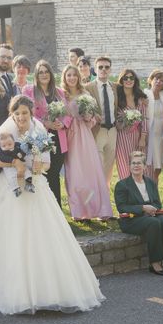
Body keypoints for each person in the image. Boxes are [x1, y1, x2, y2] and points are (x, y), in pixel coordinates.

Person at [0, 95, 105, 315]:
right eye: (16, 114)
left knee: (44, 235)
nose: (20, 118)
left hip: (35, 186)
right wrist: (14, 161)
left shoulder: (40, 131)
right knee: (14, 236)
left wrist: (37, 166)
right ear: (12, 114)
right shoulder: (6, 130)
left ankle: (51, 289)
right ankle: (18, 289)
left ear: (31, 113)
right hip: (11, 187)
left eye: (24, 113)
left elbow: (46, 164)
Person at [115, 151, 163, 276]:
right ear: (129, 166)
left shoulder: (150, 183)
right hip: (131, 220)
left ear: (144, 166)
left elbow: (157, 203)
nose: (136, 166)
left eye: (139, 163)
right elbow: (122, 207)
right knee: (153, 223)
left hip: (150, 215)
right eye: (133, 163)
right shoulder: (122, 185)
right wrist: (143, 208)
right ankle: (154, 262)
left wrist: (152, 209)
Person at [61, 64, 112, 221]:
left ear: (78, 77)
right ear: (64, 77)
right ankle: (79, 211)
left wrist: (90, 117)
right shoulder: (61, 94)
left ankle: (97, 208)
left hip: (85, 135)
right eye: (68, 75)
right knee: (74, 173)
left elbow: (97, 117)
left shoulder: (85, 93)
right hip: (69, 136)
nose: (71, 78)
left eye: (74, 75)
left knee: (91, 171)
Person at [22, 60, 70, 206]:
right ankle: (40, 209)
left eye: (46, 71)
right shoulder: (28, 91)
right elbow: (26, 113)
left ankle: (56, 210)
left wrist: (63, 123)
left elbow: (68, 114)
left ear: (50, 74)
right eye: (40, 72)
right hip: (39, 139)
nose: (44, 74)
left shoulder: (60, 92)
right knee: (40, 174)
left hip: (58, 138)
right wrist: (45, 123)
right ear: (36, 75)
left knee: (54, 175)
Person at [87, 56, 119, 188]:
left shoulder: (115, 87)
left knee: (108, 166)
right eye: (100, 67)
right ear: (95, 69)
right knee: (97, 165)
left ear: (110, 69)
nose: (104, 70)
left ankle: (104, 193)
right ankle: (96, 192)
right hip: (97, 130)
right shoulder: (88, 88)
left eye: (106, 67)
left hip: (112, 130)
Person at [114, 69, 148, 180]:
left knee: (138, 166)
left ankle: (139, 194)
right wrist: (124, 121)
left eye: (131, 78)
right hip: (122, 137)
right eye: (126, 78)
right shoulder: (117, 98)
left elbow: (145, 119)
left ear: (135, 80)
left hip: (137, 137)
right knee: (124, 167)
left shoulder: (140, 98)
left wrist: (143, 138)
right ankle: (127, 192)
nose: (129, 80)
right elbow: (116, 119)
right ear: (121, 80)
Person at [144, 69, 163, 182]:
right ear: (151, 80)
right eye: (156, 79)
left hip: (161, 136)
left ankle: (154, 193)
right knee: (147, 167)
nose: (159, 82)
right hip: (148, 135)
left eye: (162, 80)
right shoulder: (144, 95)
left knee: (158, 167)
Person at [0, 131, 33, 197]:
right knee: (11, 176)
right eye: (4, 146)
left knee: (27, 171)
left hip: (21, 163)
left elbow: (23, 150)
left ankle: (28, 184)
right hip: (9, 166)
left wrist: (22, 154)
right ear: (0, 146)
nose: (7, 147)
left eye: (9, 144)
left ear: (13, 141)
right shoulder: (0, 151)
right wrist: (12, 160)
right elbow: (2, 157)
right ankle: (15, 189)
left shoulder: (17, 145)